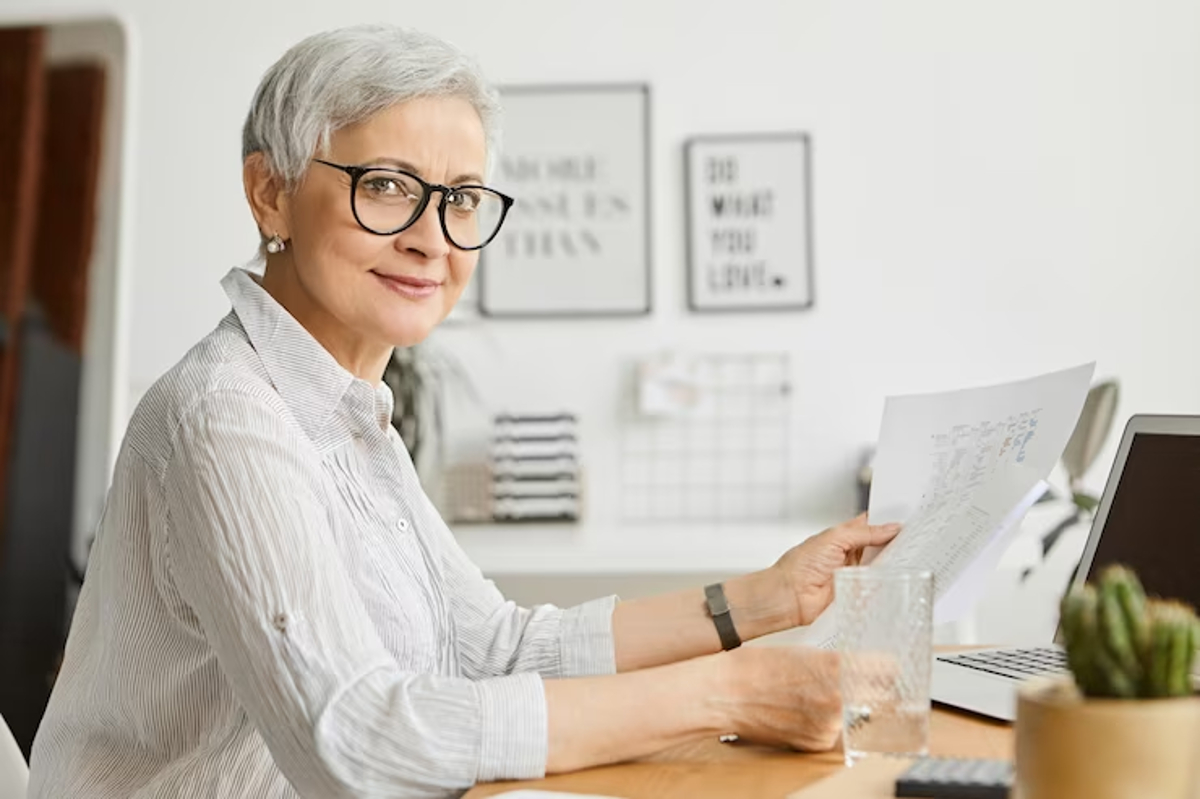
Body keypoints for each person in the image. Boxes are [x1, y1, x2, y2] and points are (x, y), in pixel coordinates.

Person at [27, 24, 900, 799]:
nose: (432, 238)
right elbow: (356, 738)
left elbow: (492, 645)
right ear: (271, 194)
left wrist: (767, 597)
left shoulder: (349, 411)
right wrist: (732, 690)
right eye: (387, 186)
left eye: (462, 199)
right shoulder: (224, 413)